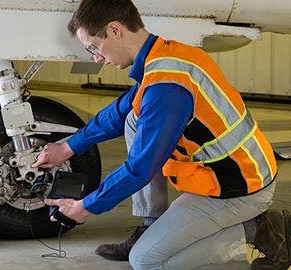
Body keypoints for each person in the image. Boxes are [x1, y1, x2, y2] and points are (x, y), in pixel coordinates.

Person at [32, 0, 291, 269]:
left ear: (115, 30)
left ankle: (260, 230)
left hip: (239, 188)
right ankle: (152, 223)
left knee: (147, 261)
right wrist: (68, 147)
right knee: (134, 118)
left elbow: (139, 169)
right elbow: (120, 111)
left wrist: (86, 206)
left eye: (94, 47)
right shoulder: (165, 55)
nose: (97, 58)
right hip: (236, 169)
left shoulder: (165, 89)